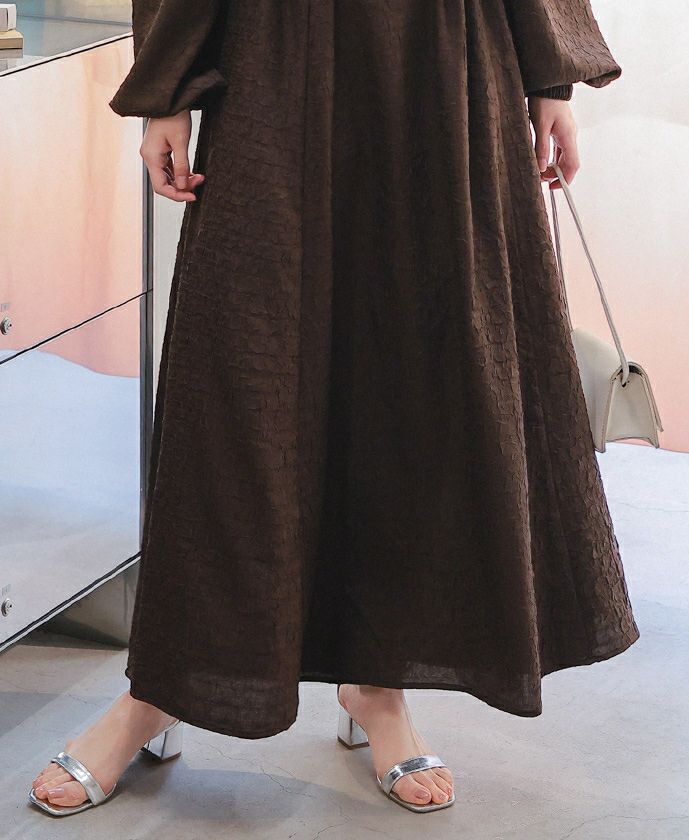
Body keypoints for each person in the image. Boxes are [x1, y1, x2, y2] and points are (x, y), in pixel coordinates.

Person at [29, 0, 640, 817]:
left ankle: (377, 683)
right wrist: (166, 90)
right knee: (235, 384)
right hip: (271, 55)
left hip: (442, 61)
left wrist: (551, 79)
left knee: (414, 375)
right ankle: (163, 687)